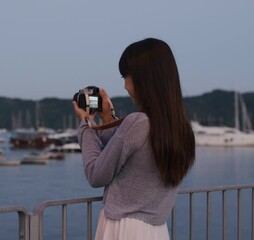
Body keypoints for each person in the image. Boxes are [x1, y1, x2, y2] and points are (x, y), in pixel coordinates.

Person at [72, 38, 196, 240]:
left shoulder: (138, 122)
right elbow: (131, 153)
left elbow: (96, 174)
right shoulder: (180, 128)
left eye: (125, 76)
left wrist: (86, 125)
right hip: (156, 230)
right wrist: (106, 118)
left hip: (124, 229)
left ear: (143, 77)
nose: (124, 85)